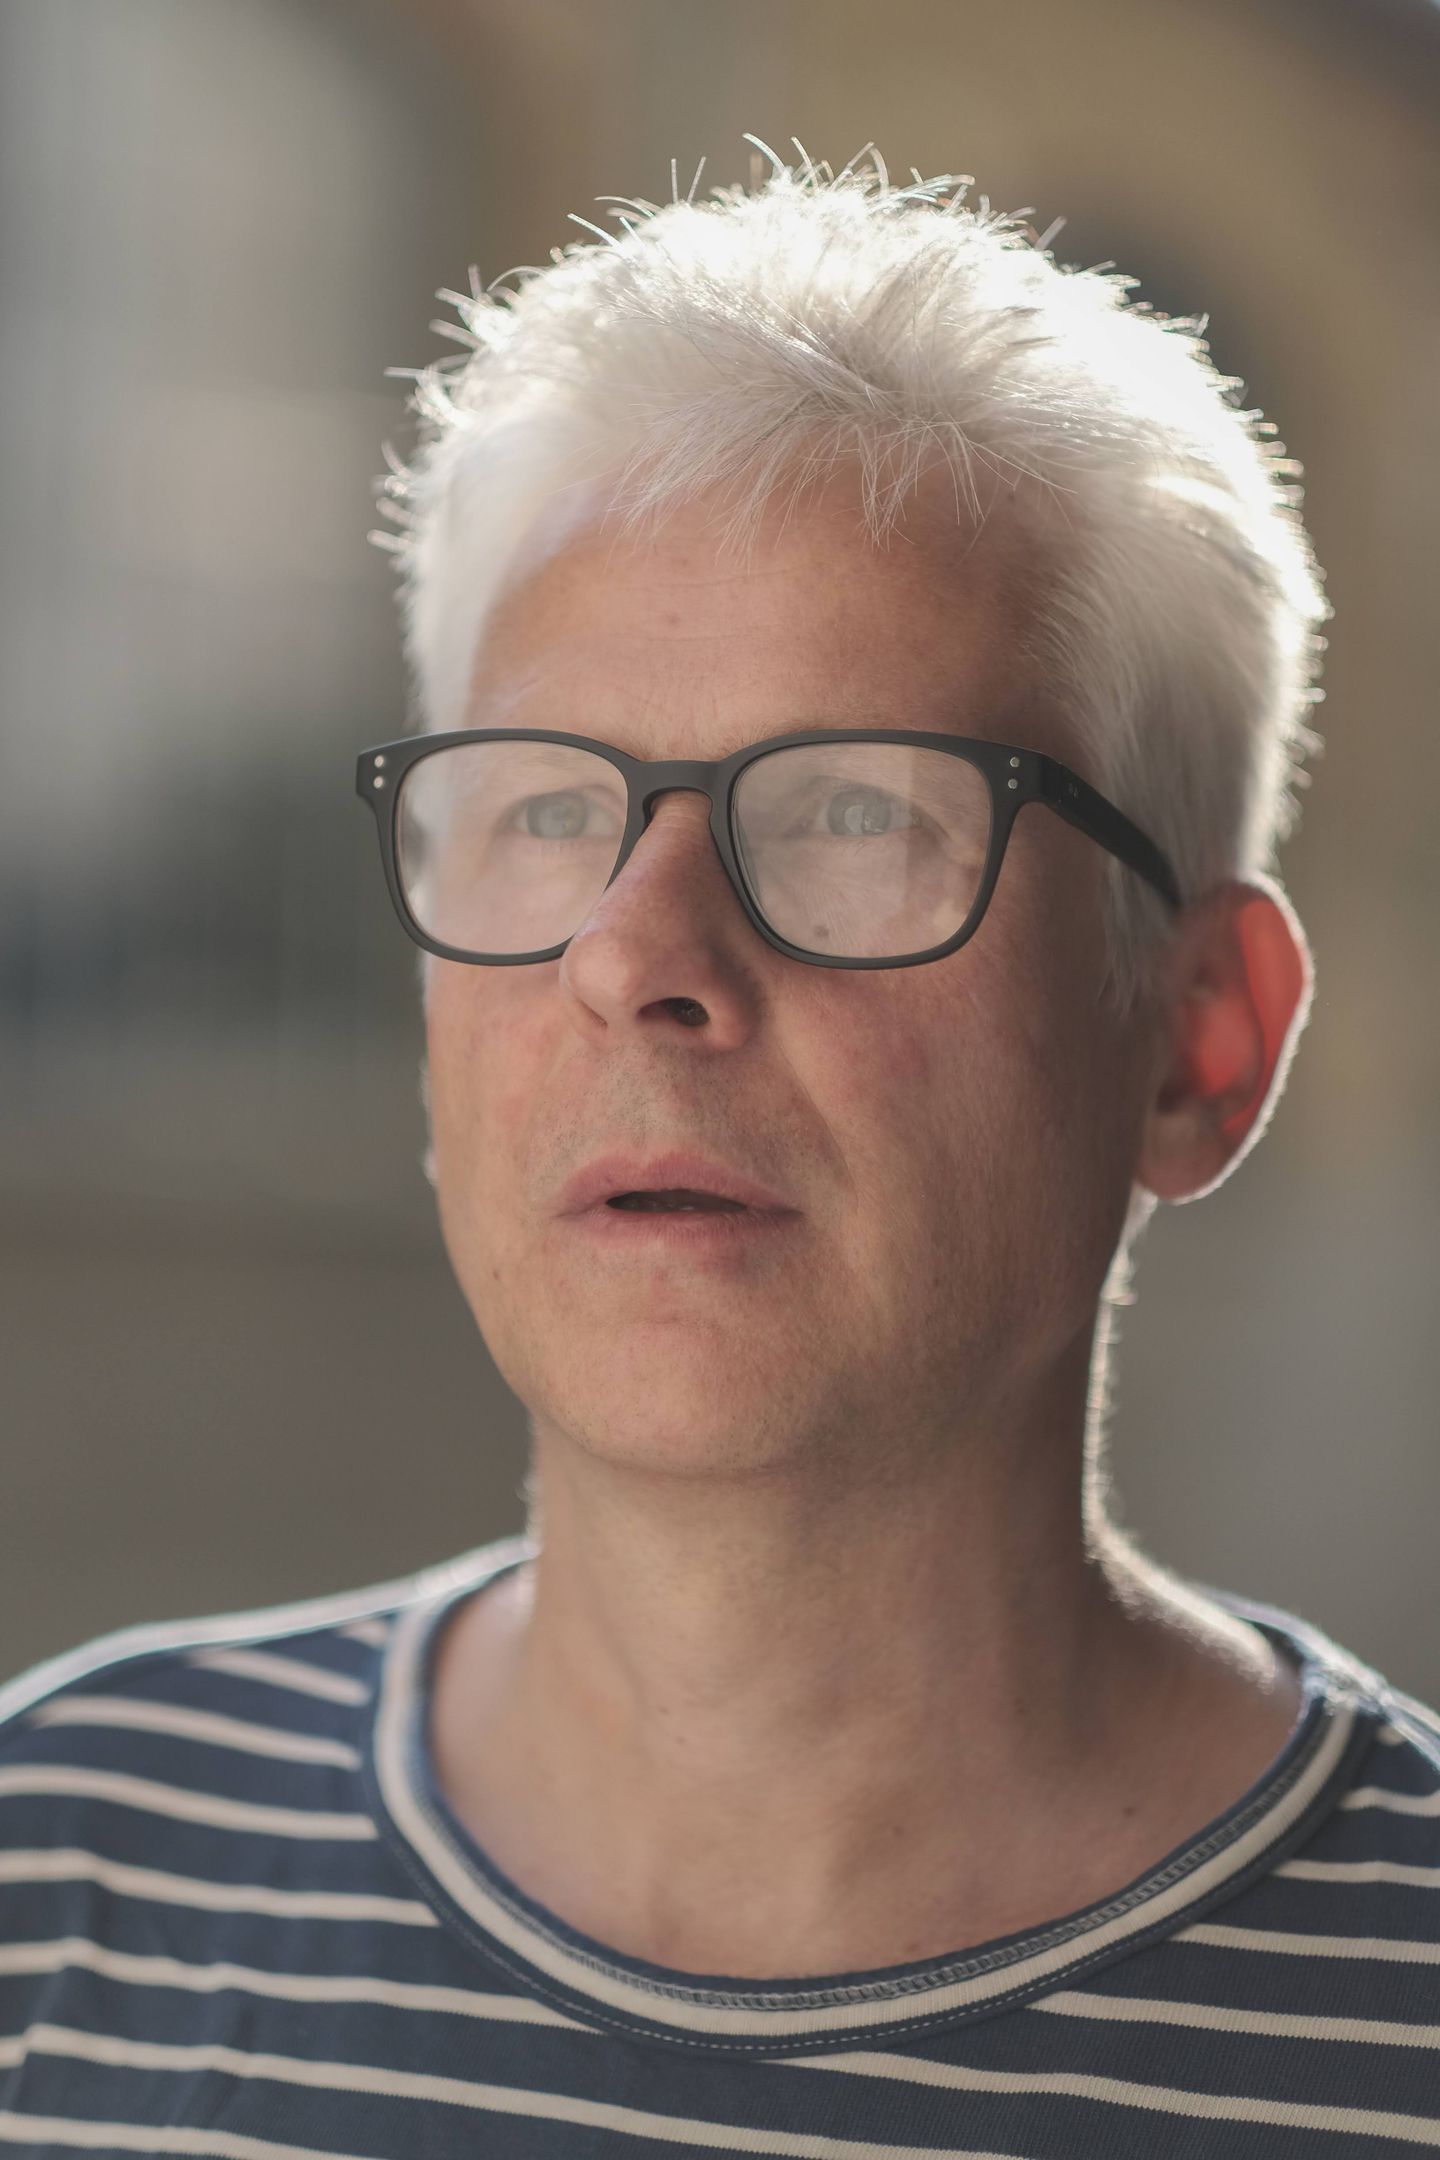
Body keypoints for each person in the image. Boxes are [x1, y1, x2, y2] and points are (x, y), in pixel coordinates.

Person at [1, 150, 1435, 2156]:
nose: (634, 957)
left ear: (1200, 1038)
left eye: (855, 812)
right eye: (546, 810)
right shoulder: (53, 1884)